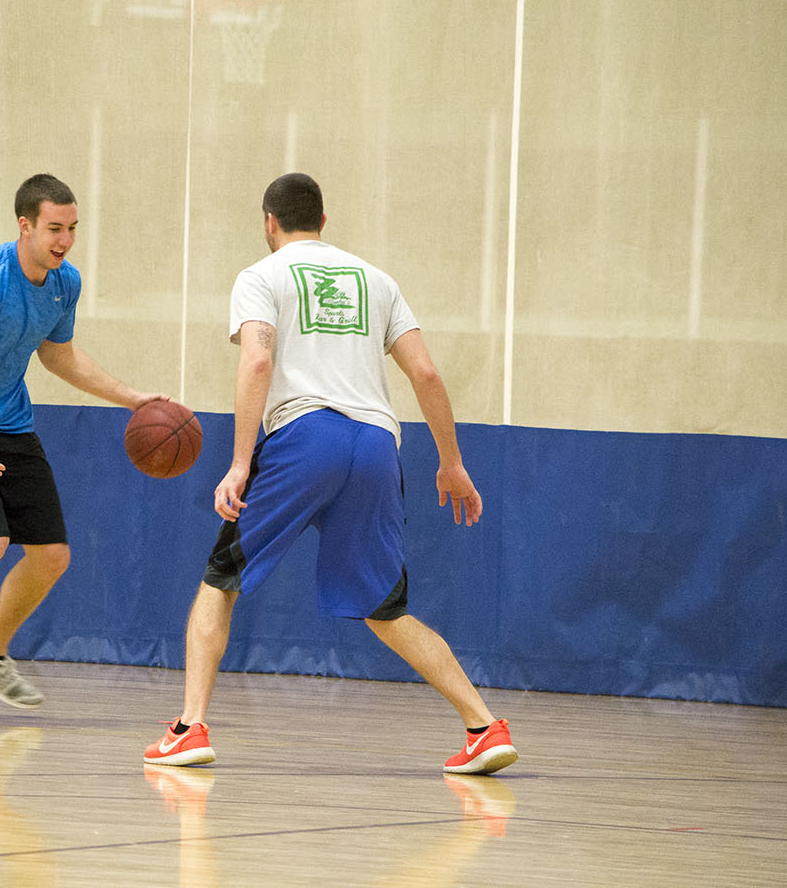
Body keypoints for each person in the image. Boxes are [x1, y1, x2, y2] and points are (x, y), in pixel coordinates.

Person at [143, 173, 517, 775]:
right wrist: (451, 462)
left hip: (304, 438)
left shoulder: (261, 277)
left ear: (270, 222)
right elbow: (425, 373)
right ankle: (483, 725)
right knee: (385, 607)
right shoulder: (378, 281)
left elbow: (258, 358)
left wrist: (240, 462)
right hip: (375, 443)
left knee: (222, 578)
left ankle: (189, 728)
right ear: (324, 220)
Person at [0, 173, 164, 725]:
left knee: (52, 555)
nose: (65, 240)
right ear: (24, 226)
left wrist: (131, 398)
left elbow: (59, 357)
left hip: (10, 421)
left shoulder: (62, 282)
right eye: (54, 228)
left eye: (73, 228)